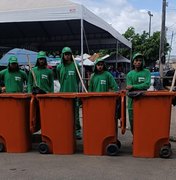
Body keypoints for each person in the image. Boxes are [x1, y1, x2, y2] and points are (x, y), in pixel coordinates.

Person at [56, 47, 82, 139]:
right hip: (63, 93)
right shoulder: (59, 67)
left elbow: (78, 79)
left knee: (76, 114)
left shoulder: (76, 65)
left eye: (69, 54)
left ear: (71, 55)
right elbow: (59, 78)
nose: (67, 56)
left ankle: (77, 131)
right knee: (65, 113)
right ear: (63, 55)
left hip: (74, 93)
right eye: (65, 54)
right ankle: (65, 129)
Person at [126, 52, 151, 134]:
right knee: (132, 121)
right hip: (131, 103)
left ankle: (142, 138)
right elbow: (128, 87)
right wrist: (139, 86)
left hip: (144, 101)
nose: (138, 62)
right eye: (136, 60)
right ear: (133, 62)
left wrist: (133, 87)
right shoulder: (130, 74)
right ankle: (135, 138)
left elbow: (147, 85)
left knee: (143, 121)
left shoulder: (146, 72)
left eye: (140, 60)